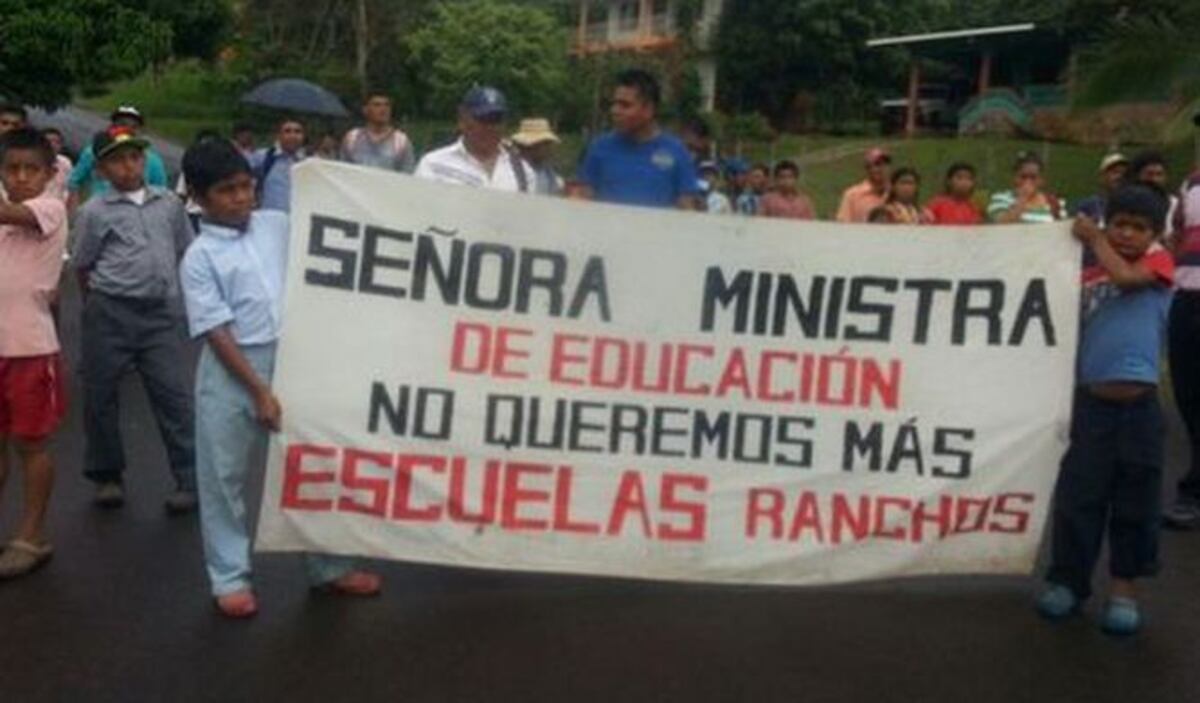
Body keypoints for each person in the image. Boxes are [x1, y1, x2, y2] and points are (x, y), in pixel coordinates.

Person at [179, 139, 382, 618]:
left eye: (245, 186)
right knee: (223, 477)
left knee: (314, 466)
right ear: (199, 198)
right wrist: (259, 390)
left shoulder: (277, 224)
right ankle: (229, 577)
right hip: (233, 369)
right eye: (227, 191)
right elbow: (215, 330)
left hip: (294, 358)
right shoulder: (199, 257)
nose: (241, 198)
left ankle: (330, 565)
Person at [1036, 184, 1175, 636]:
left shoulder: (1158, 263)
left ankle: (1123, 591)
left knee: (1136, 501)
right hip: (1090, 404)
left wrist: (1095, 238)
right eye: (1119, 225)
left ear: (1155, 235)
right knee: (1080, 497)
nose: (1127, 234)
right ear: (1107, 221)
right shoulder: (1083, 273)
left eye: (1139, 228)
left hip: (1140, 408)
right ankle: (1068, 582)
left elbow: (1128, 279)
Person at [71, 126, 196, 513]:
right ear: (102, 170)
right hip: (110, 309)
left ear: (144, 160)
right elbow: (83, 263)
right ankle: (107, 476)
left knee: (174, 397)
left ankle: (190, 478)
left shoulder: (169, 203)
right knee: (101, 396)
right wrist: (94, 305)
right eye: (116, 161)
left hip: (159, 313)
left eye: (134, 157)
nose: (128, 166)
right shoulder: (94, 211)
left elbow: (185, 248)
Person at [0, 128, 68, 580]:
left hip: (30, 349)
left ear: (49, 174)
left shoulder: (50, 208)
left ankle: (31, 535)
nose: (21, 177)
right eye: (12, 169)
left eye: (31, 169)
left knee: (31, 444)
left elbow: (9, 211)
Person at [574, 69, 700, 209]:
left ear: (649, 109)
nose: (615, 110)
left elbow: (686, 208)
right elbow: (582, 203)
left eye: (625, 105)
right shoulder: (599, 148)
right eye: (614, 104)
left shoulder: (677, 152)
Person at [1164, 166, 1200, 528]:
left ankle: (1193, 491)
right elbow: (1176, 237)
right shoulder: (1191, 182)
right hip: (1186, 300)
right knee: (1189, 397)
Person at [415, 86, 534, 192]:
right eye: (483, 119)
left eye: (496, 119)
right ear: (462, 121)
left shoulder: (523, 172)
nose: (490, 127)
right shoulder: (433, 165)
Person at [67, 106, 168, 210]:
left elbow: (160, 194)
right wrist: (75, 213)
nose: (128, 130)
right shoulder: (93, 153)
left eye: (134, 127)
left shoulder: (154, 161)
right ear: (112, 127)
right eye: (122, 124)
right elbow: (74, 182)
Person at [340, 93, 416, 173]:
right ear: (365, 110)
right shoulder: (352, 138)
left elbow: (407, 173)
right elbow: (342, 170)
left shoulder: (401, 141)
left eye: (387, 105)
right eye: (377, 105)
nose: (383, 109)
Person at [250, 118, 307, 212]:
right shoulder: (263, 157)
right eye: (287, 131)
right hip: (268, 217)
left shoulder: (308, 163)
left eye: (297, 131)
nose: (293, 135)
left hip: (298, 217)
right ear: (278, 135)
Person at [988, 152, 1064, 224]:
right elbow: (1001, 225)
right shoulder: (1000, 199)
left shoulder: (1053, 202)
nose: (1027, 182)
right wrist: (1023, 198)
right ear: (1014, 178)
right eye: (1023, 177)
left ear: (1041, 180)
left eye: (1033, 177)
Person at [1128, 151, 1179, 238]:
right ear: (1137, 176)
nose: (1155, 180)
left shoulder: (1176, 205)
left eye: (1159, 174)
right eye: (1149, 174)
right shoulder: (1126, 204)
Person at [511, 118, 565, 196]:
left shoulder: (548, 171)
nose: (549, 147)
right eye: (546, 143)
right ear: (532, 145)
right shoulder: (511, 172)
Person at [836, 148, 890, 223]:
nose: (881, 168)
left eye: (885, 164)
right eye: (877, 164)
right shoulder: (852, 195)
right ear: (868, 168)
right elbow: (843, 224)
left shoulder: (894, 192)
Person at [1074, 153, 1129, 226]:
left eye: (1124, 174)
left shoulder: (1132, 207)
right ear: (1102, 177)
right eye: (1115, 172)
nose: (1120, 177)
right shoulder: (1087, 206)